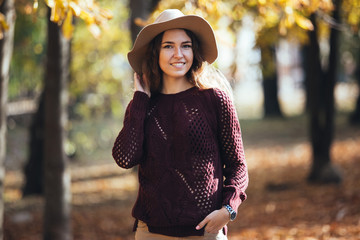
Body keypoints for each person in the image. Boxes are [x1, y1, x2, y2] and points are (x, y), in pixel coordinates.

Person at [112, 9, 248, 240]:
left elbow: (238, 166)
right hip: (151, 233)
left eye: (185, 45)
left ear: (194, 51)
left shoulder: (215, 100)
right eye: (168, 46)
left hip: (206, 230)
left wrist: (228, 210)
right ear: (156, 52)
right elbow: (125, 158)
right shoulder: (143, 106)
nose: (178, 54)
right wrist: (140, 99)